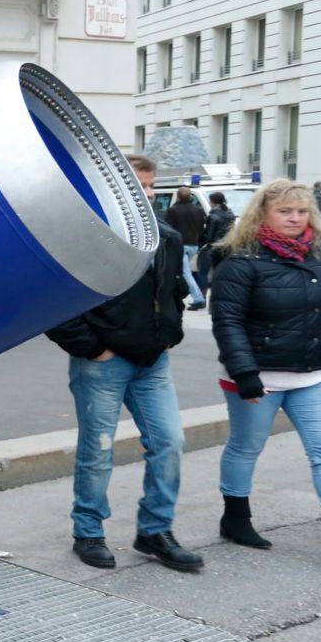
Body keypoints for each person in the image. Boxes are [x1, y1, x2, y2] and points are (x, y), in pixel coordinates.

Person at [46, 154, 202, 572]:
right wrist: (91, 348)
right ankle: (89, 531)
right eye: (139, 186)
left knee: (169, 443)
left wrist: (170, 335)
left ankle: (155, 531)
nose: (147, 195)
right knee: (98, 452)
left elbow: (174, 293)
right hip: (103, 364)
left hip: (153, 363)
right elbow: (55, 301)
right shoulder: (85, 236)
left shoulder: (166, 236)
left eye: (152, 188)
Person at [209, 179, 321, 566]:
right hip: (258, 377)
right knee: (246, 447)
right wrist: (245, 372)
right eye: (285, 211)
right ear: (263, 213)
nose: (295, 218)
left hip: (315, 374)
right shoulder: (239, 259)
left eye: (301, 211)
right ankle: (235, 516)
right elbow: (227, 320)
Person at [166, 186, 207, 310]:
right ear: (190, 196)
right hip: (193, 245)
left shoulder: (173, 210)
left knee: (185, 273)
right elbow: (201, 228)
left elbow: (169, 229)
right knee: (184, 271)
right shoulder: (198, 210)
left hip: (180, 245)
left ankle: (199, 299)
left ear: (178, 196)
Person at [196, 191, 236, 298]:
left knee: (203, 272)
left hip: (212, 247)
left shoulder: (213, 215)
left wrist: (201, 243)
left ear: (212, 201)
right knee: (221, 273)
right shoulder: (230, 214)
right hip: (227, 246)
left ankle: (201, 297)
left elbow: (208, 236)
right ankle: (220, 295)